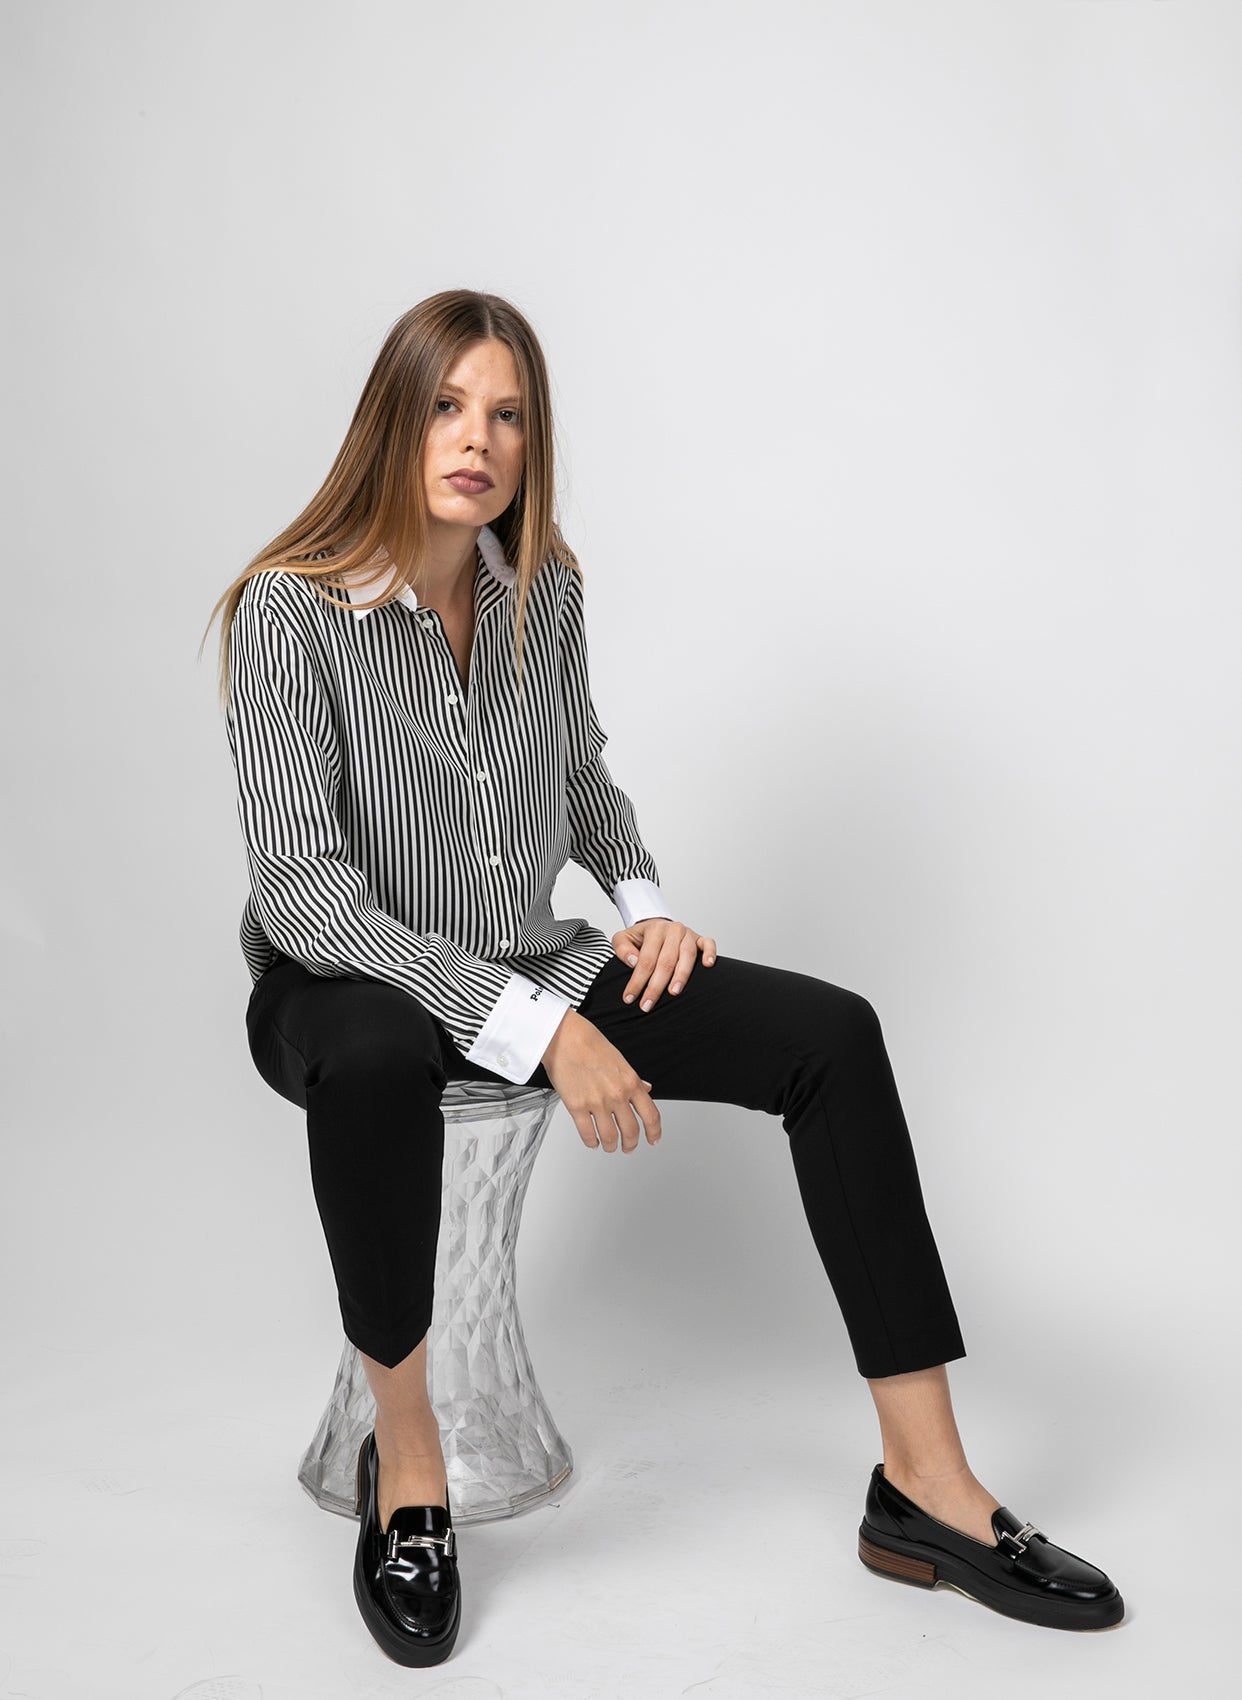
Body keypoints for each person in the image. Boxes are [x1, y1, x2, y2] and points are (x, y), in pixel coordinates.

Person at [203, 288, 1124, 1666]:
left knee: (831, 1036)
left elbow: (578, 777)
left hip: (530, 953)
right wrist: (536, 1028)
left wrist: (641, 911)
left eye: (508, 415)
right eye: (447, 406)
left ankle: (925, 1487)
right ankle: (409, 1464)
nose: (478, 439)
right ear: (393, 420)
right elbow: (305, 889)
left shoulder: (542, 587)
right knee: (385, 1055)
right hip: (342, 984)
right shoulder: (290, 609)